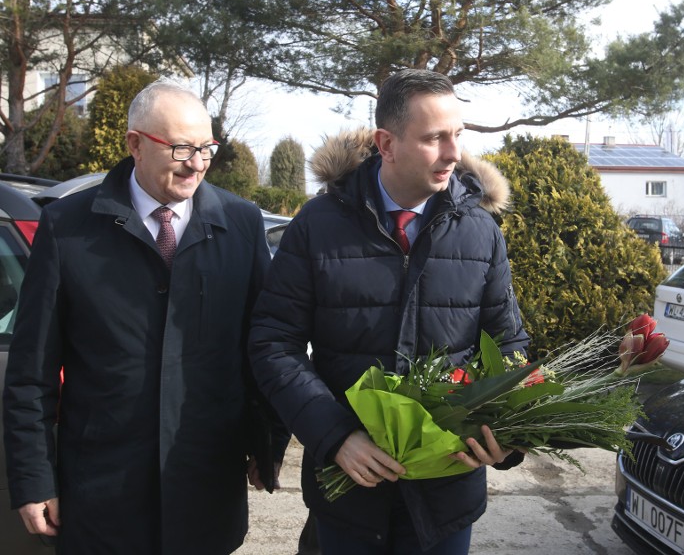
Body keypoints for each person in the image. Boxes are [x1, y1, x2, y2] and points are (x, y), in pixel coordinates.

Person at [249, 69, 530, 555]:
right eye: (434, 138)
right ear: (386, 142)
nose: (453, 153)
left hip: (448, 496)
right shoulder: (318, 225)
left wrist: (508, 435)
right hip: (349, 492)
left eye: (458, 134)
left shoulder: (480, 231)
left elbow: (509, 345)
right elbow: (274, 343)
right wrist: (334, 436)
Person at [3, 79, 287, 554]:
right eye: (179, 148)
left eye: (205, 148)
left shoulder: (240, 224)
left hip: (205, 488)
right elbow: (31, 371)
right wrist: (33, 478)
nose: (196, 164)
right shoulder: (68, 228)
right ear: (135, 144)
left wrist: (269, 442)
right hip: (102, 496)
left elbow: (264, 346)